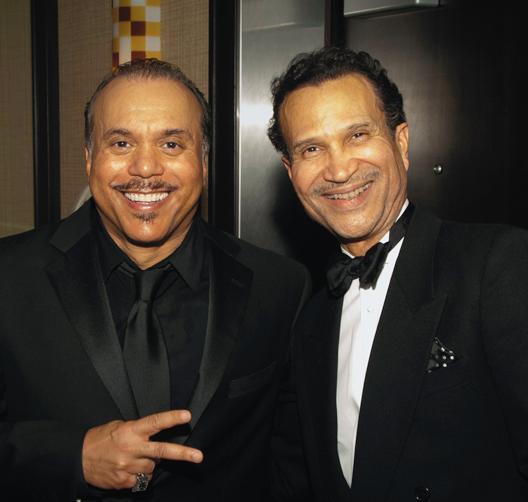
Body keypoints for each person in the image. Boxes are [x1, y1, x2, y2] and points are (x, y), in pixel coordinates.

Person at [0, 59, 310, 501]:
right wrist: (72, 457)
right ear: (89, 158)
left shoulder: (279, 287)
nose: (145, 168)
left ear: (203, 160)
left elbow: (292, 461)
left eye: (171, 144)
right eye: (121, 142)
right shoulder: (9, 277)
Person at [267, 46, 528, 501]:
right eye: (312, 148)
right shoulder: (308, 322)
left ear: (400, 142)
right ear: (292, 172)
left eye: (357, 135)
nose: (339, 169)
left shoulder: (496, 265)